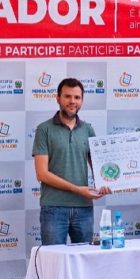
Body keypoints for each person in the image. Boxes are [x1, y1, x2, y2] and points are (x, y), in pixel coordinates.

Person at [32, 78, 110, 245]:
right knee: (53, 258)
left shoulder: (88, 129)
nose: (72, 101)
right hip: (54, 208)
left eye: (77, 97)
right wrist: (77, 189)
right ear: (58, 98)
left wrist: (106, 183)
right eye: (67, 96)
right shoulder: (44, 129)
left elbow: (99, 168)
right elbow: (42, 174)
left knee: (84, 258)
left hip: (84, 208)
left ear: (82, 100)